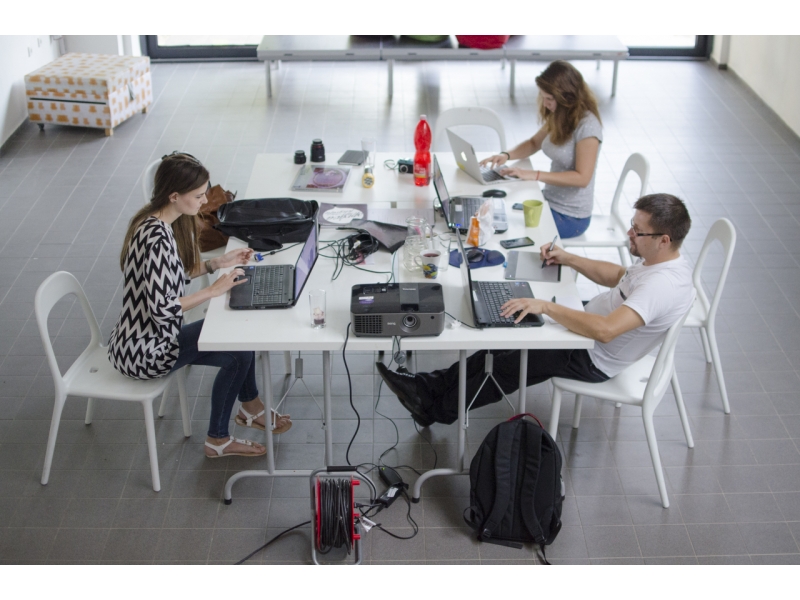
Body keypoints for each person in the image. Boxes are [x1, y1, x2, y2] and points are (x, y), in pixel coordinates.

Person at [377, 193, 693, 426]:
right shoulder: (658, 260)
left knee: (506, 364)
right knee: (502, 334)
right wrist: (568, 258)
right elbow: (619, 276)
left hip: (591, 355)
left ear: (664, 240)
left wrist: (546, 307)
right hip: (586, 325)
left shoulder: (662, 285)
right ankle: (430, 385)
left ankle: (433, 409)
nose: (630, 234)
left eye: (638, 230)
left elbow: (606, 331)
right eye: (632, 225)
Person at [108, 152, 291, 458]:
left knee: (239, 344)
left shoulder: (155, 221)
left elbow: (173, 273)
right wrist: (213, 290)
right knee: (238, 352)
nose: (206, 200)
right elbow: (163, 309)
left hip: (135, 339)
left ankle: (249, 410)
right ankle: (220, 438)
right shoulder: (156, 240)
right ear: (174, 196)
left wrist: (217, 262)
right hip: (145, 352)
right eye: (198, 195)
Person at [480, 60, 603, 239]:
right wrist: (506, 155)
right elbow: (533, 143)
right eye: (543, 97)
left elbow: (582, 178)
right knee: (499, 212)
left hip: (571, 216)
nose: (545, 103)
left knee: (507, 228)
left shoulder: (588, 126)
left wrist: (534, 174)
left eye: (549, 99)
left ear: (567, 97)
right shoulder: (561, 115)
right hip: (548, 199)